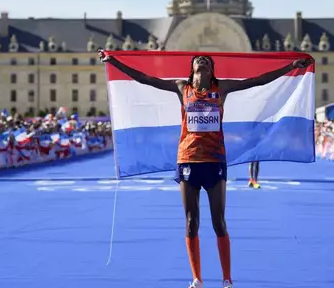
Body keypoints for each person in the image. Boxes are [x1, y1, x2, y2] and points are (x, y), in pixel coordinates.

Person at [99, 51, 312, 288]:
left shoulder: (222, 88)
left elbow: (259, 80)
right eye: (198, 60)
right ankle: (197, 278)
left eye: (206, 60)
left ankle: (227, 279)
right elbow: (144, 78)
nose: (202, 60)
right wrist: (114, 62)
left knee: (219, 221)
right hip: (188, 159)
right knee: (191, 222)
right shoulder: (182, 88)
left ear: (211, 69)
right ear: (192, 68)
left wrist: (291, 66)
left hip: (215, 160)